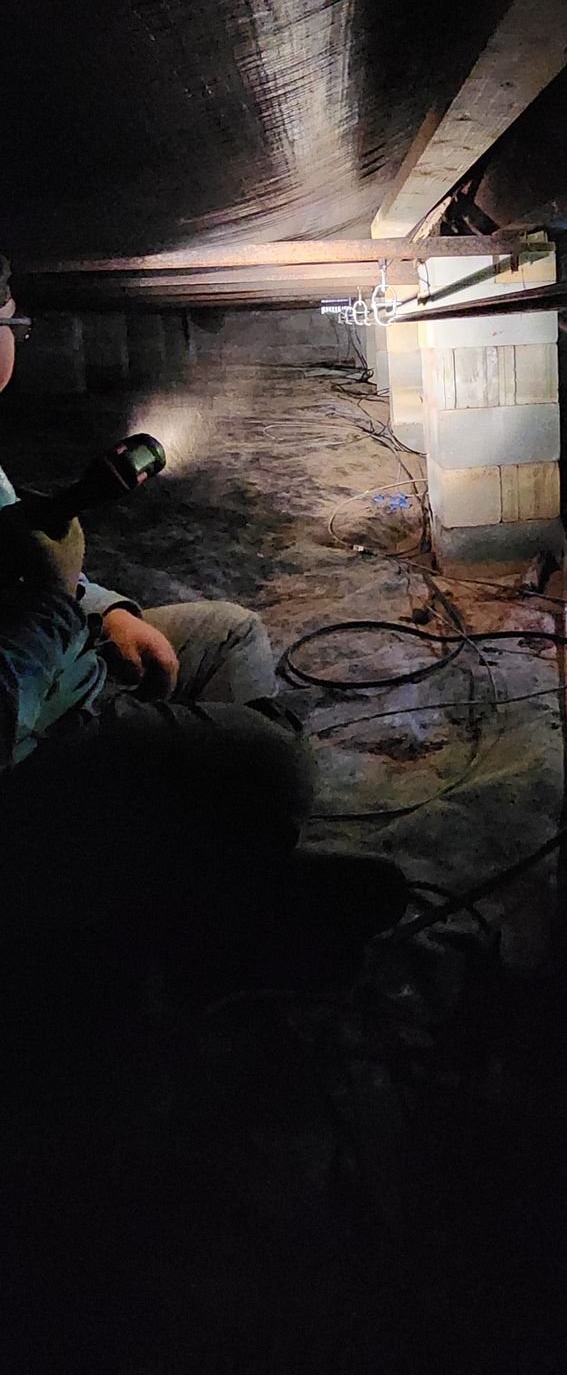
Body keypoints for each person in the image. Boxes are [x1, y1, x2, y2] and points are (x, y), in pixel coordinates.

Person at [0, 254, 405, 1022]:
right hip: (31, 747)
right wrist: (60, 606)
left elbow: (17, 565)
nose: (16, 336)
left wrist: (107, 609)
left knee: (226, 633)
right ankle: (200, 930)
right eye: (10, 322)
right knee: (273, 762)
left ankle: (230, 880)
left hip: (54, 667)